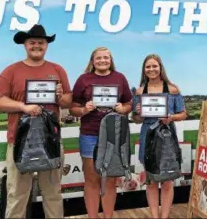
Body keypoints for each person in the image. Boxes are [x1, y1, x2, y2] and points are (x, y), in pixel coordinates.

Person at [0, 24, 72, 219]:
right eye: (32, 42)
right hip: (19, 141)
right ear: (25, 45)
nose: (37, 46)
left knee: (53, 193)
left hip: (51, 140)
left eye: (41, 42)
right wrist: (23, 107)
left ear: (47, 45)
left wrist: (60, 97)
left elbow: (68, 100)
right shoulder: (10, 71)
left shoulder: (57, 69)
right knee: (17, 194)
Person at [69, 46, 132, 219]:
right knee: (92, 179)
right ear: (92, 61)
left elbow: (129, 103)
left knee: (110, 179)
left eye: (106, 58)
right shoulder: (83, 79)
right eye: (99, 58)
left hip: (114, 135)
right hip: (89, 134)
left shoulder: (120, 78)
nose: (103, 60)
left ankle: (108, 216)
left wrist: (123, 108)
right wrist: (83, 110)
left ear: (111, 60)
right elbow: (72, 108)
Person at [132, 54, 187, 219]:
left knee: (168, 180)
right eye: (148, 67)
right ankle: (155, 216)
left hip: (166, 134)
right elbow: (136, 119)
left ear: (161, 67)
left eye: (154, 66)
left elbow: (183, 114)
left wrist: (171, 117)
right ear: (144, 70)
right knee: (151, 179)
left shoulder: (172, 89)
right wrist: (139, 113)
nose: (151, 69)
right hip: (148, 135)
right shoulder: (140, 91)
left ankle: (164, 216)